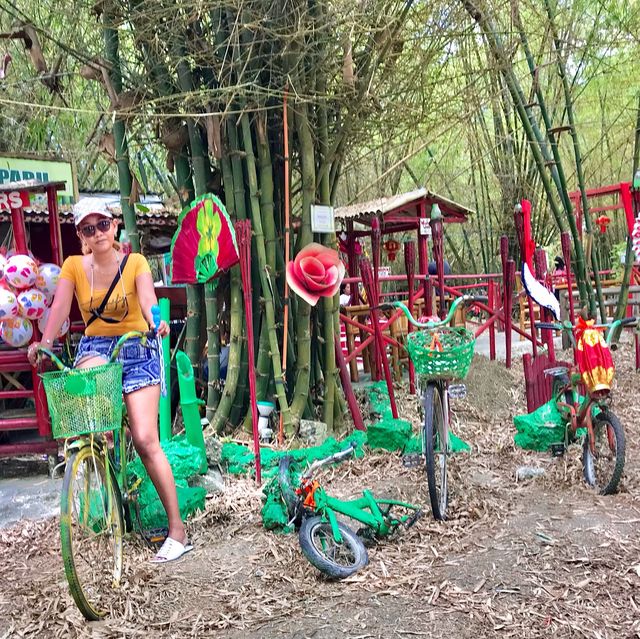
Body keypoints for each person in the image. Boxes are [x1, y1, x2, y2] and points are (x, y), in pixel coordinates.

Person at [28, 203, 192, 563]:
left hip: (137, 345)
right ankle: (111, 496)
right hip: (97, 348)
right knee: (94, 430)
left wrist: (157, 321)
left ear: (115, 225)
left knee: (146, 439)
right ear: (81, 237)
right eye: (88, 229)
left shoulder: (135, 263)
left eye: (103, 224)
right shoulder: (73, 266)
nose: (97, 233)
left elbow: (149, 300)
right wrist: (46, 341)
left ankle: (177, 530)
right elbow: (58, 307)